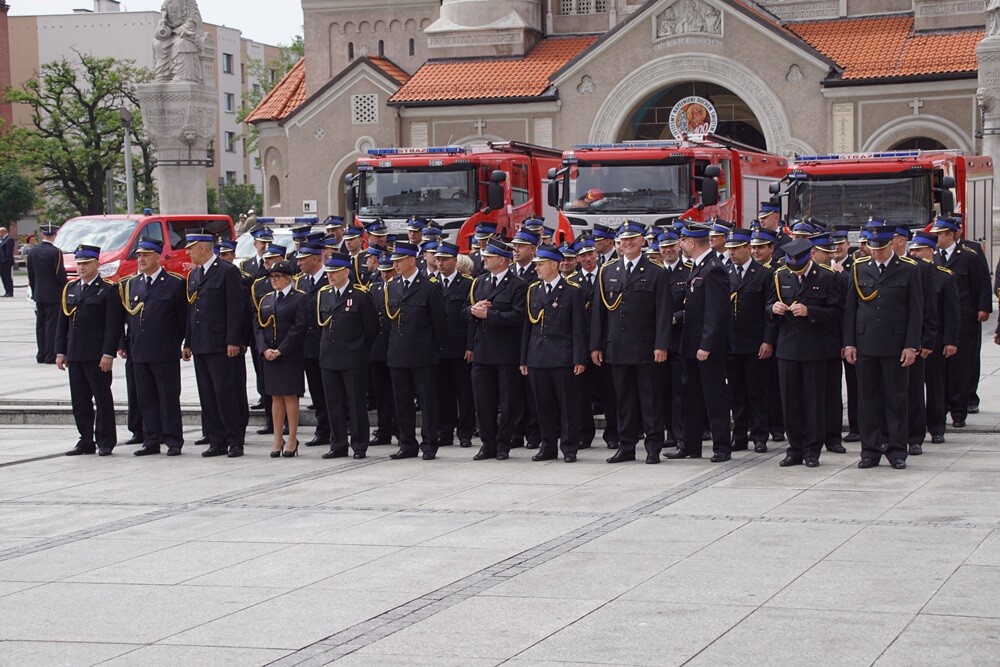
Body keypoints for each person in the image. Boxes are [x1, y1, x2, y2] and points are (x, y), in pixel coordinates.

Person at [591, 220, 671, 464]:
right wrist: (595, 345)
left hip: (646, 347)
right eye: (623, 241)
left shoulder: (656, 272)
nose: (627, 244)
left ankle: (653, 445)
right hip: (616, 346)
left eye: (632, 240)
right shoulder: (608, 271)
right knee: (623, 400)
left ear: (642, 242)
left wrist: (661, 344)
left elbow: (663, 313)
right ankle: (626, 446)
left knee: (650, 399)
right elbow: (598, 312)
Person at [844, 225, 922, 470]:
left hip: (895, 344)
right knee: (867, 400)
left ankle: (897, 450)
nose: (876, 252)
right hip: (866, 343)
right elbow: (851, 310)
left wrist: (911, 345)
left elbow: (916, 311)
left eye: (881, 248)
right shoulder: (859, 268)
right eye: (872, 248)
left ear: (892, 244)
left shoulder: (909, 269)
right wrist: (849, 343)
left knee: (896, 399)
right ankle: (870, 450)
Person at [767, 239, 843, 467]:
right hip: (788, 347)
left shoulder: (827, 277)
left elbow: (836, 311)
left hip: (815, 348)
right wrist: (773, 308)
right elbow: (769, 303)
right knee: (790, 402)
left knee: (814, 402)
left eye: (798, 267)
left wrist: (810, 311)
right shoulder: (781, 275)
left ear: (809, 257)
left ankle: (812, 450)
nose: (795, 271)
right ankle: (794, 449)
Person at [667, 222, 730, 462]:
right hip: (691, 345)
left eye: (682, 240)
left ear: (691, 242)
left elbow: (716, 313)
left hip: (706, 348)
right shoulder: (698, 266)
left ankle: (722, 447)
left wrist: (707, 345)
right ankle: (691, 445)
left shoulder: (713, 269)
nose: (680, 244)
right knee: (690, 397)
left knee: (714, 397)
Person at [119, 238, 187, 457]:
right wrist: (123, 344)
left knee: (168, 398)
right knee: (145, 398)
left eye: (146, 255)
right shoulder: (132, 284)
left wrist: (182, 343)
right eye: (139, 255)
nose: (141, 259)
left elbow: (182, 320)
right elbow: (126, 318)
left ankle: (173, 439)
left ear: (158, 256)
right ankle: (151, 439)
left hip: (164, 350)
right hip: (138, 350)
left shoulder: (174, 283)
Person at [182, 233, 247, 458]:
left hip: (221, 343)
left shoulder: (228, 271)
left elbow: (236, 308)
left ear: (202, 248)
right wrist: (188, 341)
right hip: (201, 342)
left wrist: (233, 340)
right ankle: (216, 440)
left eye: (190, 248)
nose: (187, 253)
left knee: (225, 393)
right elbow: (193, 310)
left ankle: (235, 440)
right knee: (207, 394)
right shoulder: (194, 275)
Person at [520, 245, 587, 462]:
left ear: (554, 265)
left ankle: (569, 447)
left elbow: (578, 328)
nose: (537, 268)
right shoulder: (533, 290)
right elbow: (527, 329)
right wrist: (524, 359)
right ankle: (547, 446)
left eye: (541, 264)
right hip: (537, 356)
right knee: (543, 405)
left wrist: (579, 358)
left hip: (562, 356)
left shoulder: (572, 291)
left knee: (567, 406)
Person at [56, 244, 123, 456]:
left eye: (86, 263)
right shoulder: (71, 289)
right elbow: (62, 323)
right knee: (79, 400)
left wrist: (108, 353)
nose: (81, 267)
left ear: (97, 263)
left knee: (102, 399)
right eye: (79, 263)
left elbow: (113, 325)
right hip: (75, 353)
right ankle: (85, 439)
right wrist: (60, 351)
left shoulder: (107, 290)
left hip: (96, 354)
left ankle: (105, 441)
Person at [383, 241, 448, 460]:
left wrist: (431, 348)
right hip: (398, 353)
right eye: (394, 261)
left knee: (428, 401)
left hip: (422, 353)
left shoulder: (429, 286)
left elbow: (440, 323)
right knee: (402, 402)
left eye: (399, 261)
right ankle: (407, 443)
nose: (396, 265)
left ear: (412, 260)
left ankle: (429, 443)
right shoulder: (392, 285)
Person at [466, 238, 528, 461]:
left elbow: (518, 317)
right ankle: (487, 444)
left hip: (505, 353)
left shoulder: (517, 285)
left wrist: (489, 315)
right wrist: (474, 310)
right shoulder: (480, 282)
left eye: (489, 257)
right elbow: (464, 311)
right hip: (482, 351)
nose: (484, 259)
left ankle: (503, 444)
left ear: (502, 260)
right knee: (482, 401)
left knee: (508, 402)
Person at [928, 216, 989, 429]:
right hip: (939, 320)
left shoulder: (969, 256)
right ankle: (941, 407)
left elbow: (981, 282)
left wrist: (983, 308)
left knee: (961, 366)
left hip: (965, 318)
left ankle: (959, 410)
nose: (936, 238)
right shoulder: (933, 255)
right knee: (939, 368)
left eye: (940, 234)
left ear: (951, 234)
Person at [316, 252, 378, 459]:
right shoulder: (324, 294)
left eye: (334, 272)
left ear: (345, 271)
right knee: (333, 402)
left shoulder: (360, 294)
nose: (330, 276)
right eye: (328, 272)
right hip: (329, 357)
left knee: (355, 402)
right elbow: (319, 327)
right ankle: (338, 444)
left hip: (353, 357)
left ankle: (359, 444)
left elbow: (371, 329)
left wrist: (359, 348)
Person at [725, 228, 776, 454]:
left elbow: (769, 312)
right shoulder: (724, 272)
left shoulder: (764, 274)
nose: (732, 253)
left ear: (747, 248)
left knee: (757, 391)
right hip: (732, 343)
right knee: (736, 392)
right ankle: (739, 435)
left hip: (755, 342)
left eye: (736, 249)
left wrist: (768, 341)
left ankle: (760, 435)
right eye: (729, 249)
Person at [910, 231, 959, 450]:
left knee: (935, 386)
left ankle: (937, 427)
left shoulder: (944, 275)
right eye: (913, 250)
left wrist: (950, 341)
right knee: (913, 389)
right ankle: (915, 428)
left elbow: (951, 312)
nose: (914, 253)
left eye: (919, 250)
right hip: (912, 340)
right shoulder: (909, 272)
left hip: (936, 341)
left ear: (931, 250)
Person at [256, 260, 308, 457]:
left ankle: (292, 438)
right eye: (272, 277)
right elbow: (259, 326)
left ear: (288, 278)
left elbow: (299, 327)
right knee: (275, 397)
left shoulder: (298, 298)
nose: (274, 280)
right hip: (270, 355)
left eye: (278, 277)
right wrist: (264, 349)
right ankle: (278, 438)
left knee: (289, 396)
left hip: (289, 355)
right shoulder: (267, 299)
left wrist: (282, 350)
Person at [433, 241, 475, 448]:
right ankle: (445, 431)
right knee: (443, 392)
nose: (439, 263)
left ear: (453, 261)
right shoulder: (431, 282)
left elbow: (471, 318)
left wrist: (470, 345)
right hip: (438, 347)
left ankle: (465, 432)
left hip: (460, 346)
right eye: (437, 259)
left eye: (443, 260)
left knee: (464, 392)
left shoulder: (467, 283)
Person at [295, 241, 334, 448]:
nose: (299, 262)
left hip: (328, 344)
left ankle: (338, 427)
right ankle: (323, 429)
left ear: (316, 259)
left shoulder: (330, 279)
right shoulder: (300, 282)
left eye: (303, 259)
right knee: (317, 391)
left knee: (333, 391)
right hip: (309, 346)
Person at [250, 243, 288, 436]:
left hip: (285, 342)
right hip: (265, 341)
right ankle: (270, 419)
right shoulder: (259, 284)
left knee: (288, 388)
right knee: (266, 383)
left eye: (271, 259)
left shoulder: (291, 282)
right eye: (265, 259)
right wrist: (262, 345)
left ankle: (288, 421)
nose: (266, 262)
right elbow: (256, 316)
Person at [368, 255, 398, 447]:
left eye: (389, 271)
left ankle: (400, 427)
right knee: (381, 392)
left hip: (396, 346)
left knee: (398, 391)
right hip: (378, 347)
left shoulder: (399, 289)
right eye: (383, 272)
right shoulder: (374, 289)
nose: (386, 275)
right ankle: (384, 428)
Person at [27, 224, 68, 364]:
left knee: (40, 324)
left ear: (42, 235)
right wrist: (66, 287)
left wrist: (34, 291)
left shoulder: (33, 252)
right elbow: (59, 273)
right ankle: (50, 354)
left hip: (39, 293)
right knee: (52, 325)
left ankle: (41, 353)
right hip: (53, 294)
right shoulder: (55, 252)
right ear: (55, 235)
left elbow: (31, 275)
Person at [0, 227, 14, 297]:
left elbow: (9, 252)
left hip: (6, 262)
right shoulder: (2, 240)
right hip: (1, 262)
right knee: (3, 277)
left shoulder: (9, 239)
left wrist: (6, 260)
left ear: (3, 232)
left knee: (7, 277)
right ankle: (6, 291)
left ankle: (10, 292)